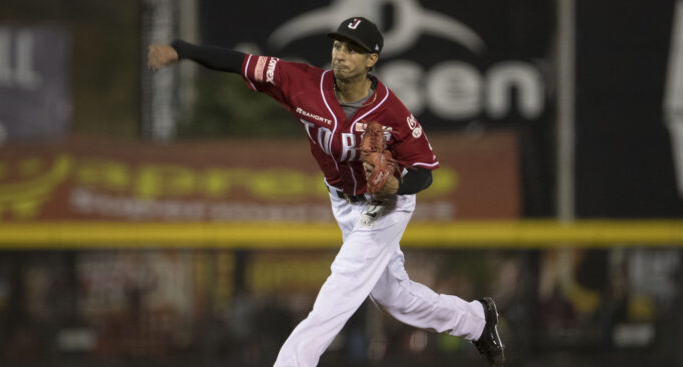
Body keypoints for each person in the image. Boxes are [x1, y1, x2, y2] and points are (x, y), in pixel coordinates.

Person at [148, 16, 505, 367]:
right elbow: (240, 63)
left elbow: (424, 171)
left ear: (371, 60)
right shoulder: (302, 82)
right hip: (342, 201)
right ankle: (475, 320)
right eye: (338, 45)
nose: (341, 54)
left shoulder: (390, 111)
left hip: (383, 204)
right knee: (394, 298)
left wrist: (397, 184)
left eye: (353, 49)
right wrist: (182, 50)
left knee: (344, 283)